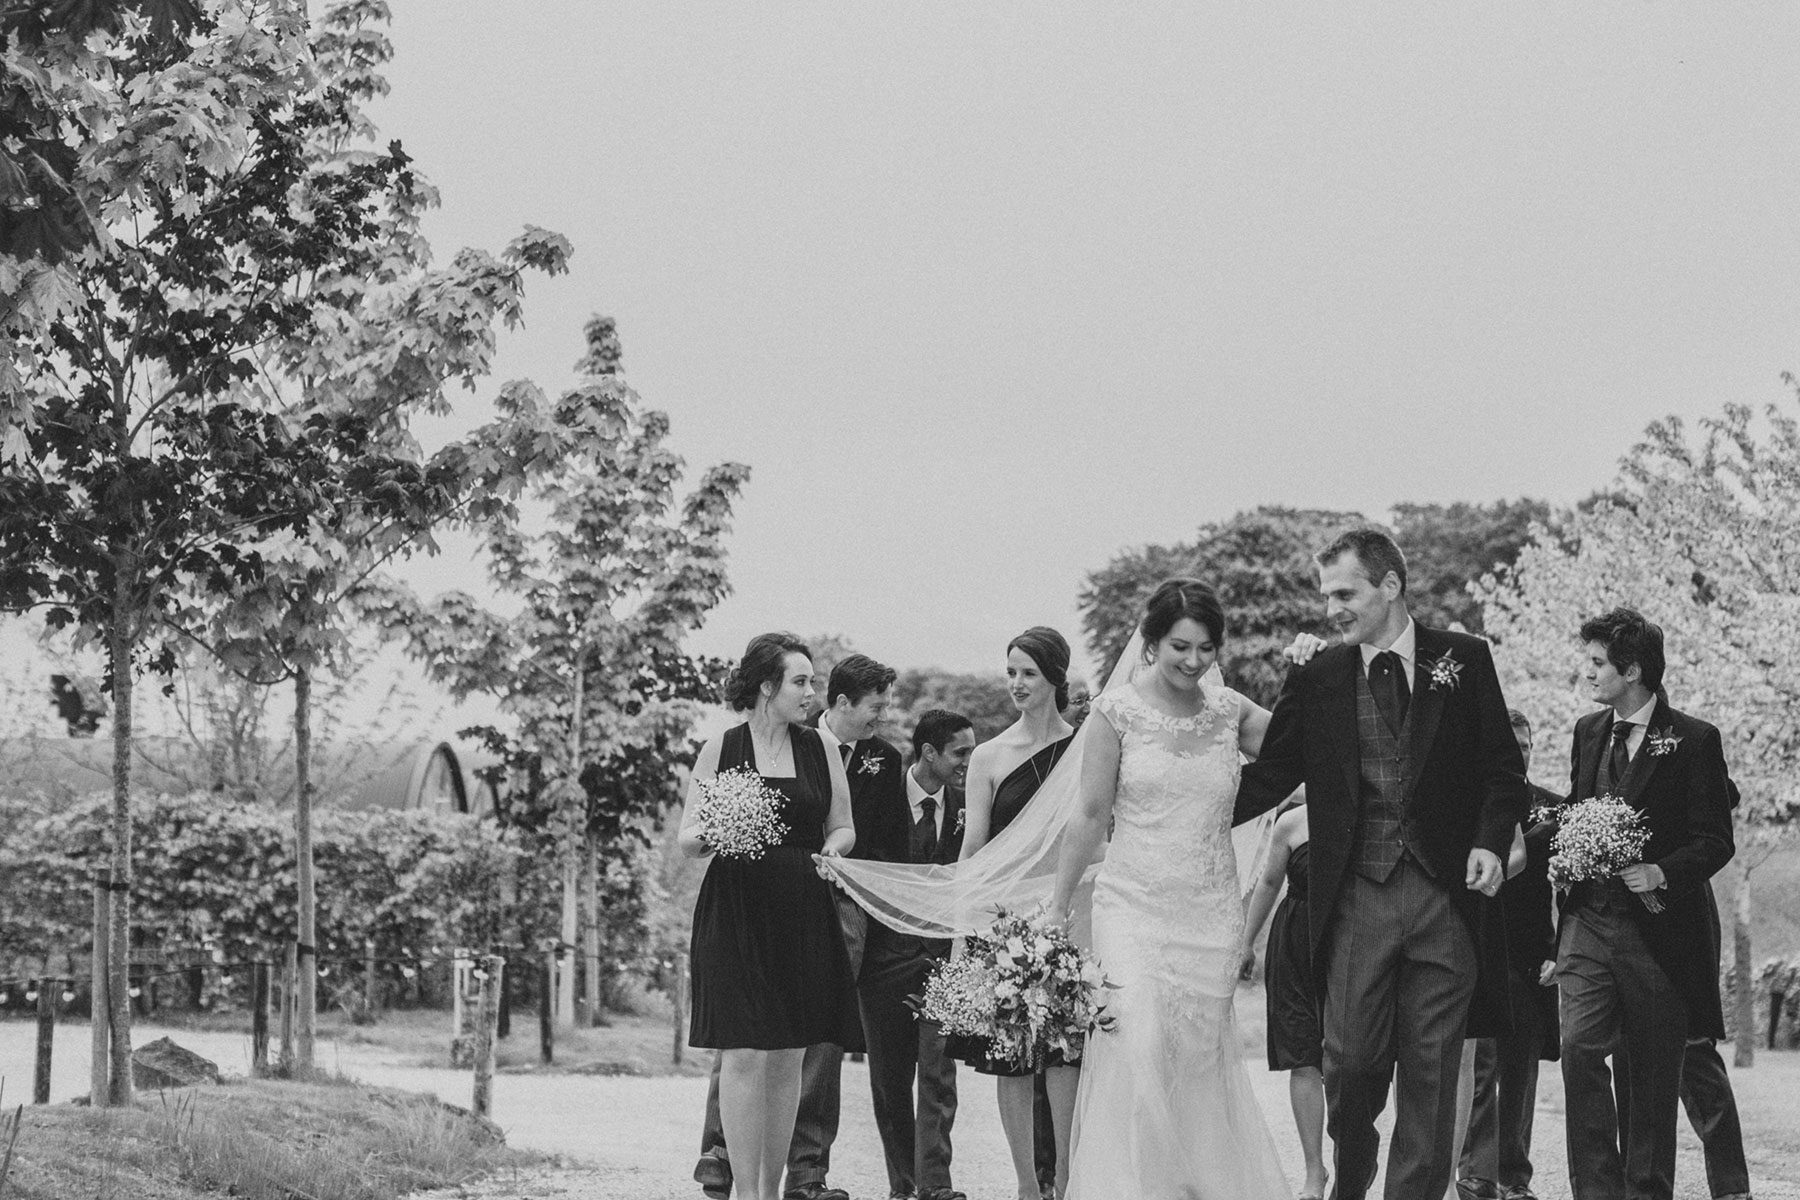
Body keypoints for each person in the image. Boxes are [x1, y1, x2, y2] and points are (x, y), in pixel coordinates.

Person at [1234, 528, 1530, 1200]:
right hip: (1358, 898)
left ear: (1390, 585)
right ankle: (1351, 1178)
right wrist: (1179, 805)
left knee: (1431, 1074)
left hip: (1444, 901)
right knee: (1354, 1066)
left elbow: (1502, 770)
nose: (1332, 607)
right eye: (1326, 595)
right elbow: (1273, 770)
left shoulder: (1464, 659)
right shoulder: (1317, 678)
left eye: (1345, 592)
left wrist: (1489, 839)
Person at [1046, 577, 1290, 1196]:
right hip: (1132, 908)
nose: (1194, 661)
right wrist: (1055, 906)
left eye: (1207, 649)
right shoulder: (1115, 712)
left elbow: (1298, 750)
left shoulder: (1230, 710)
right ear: (1151, 642)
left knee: (1200, 1059)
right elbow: (1090, 814)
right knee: (1139, 1044)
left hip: (1208, 914)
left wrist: (1309, 676)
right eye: (1181, 646)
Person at [693, 652, 898, 1200]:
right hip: (735, 911)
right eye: (800, 681)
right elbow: (688, 840)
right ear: (767, 686)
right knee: (741, 1053)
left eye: (812, 681)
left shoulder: (819, 746)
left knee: (788, 1055)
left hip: (803, 907)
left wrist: (833, 848)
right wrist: (728, 823)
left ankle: (769, 1189)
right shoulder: (722, 747)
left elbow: (844, 825)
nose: (812, 692)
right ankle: (744, 1192)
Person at [1556, 608, 1735, 1200]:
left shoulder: (1695, 739)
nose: (1588, 675)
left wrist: (1661, 870)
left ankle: (1647, 1191)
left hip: (1656, 933)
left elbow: (1715, 840)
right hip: (1587, 921)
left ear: (1631, 670)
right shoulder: (1586, 731)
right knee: (1578, 1048)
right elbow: (1576, 812)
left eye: (1597, 664)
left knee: (1653, 1076)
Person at [954, 625, 1079, 1200]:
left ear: (1055, 676)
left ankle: (1069, 1179)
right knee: (1009, 1059)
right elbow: (973, 847)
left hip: (1065, 916)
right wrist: (962, 930)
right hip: (1001, 923)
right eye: (1011, 672)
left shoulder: (1084, 749)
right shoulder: (988, 755)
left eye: (1029, 673)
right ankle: (1027, 1186)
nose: (1017, 684)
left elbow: (1098, 830)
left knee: (1063, 1055)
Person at [857, 708, 977, 1200]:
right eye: (961, 753)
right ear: (929, 753)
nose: (970, 761)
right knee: (889, 1081)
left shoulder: (971, 806)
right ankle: (902, 1186)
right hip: (882, 961)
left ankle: (935, 1185)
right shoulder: (878, 800)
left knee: (938, 1073)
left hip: (943, 962)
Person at [1457, 709, 1561, 1200]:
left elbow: (1572, 891)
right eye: (1510, 745)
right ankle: (1476, 1172)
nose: (1519, 752)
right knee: (1480, 1068)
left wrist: (1559, 952)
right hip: (1478, 949)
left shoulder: (1555, 809)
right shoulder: (1471, 804)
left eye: (1526, 744)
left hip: (1529, 956)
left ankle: (1515, 1177)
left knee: (1520, 1073)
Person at [1241, 799, 1331, 1200]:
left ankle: (1353, 1162)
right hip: (1295, 944)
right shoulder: (1291, 822)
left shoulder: (1370, 811)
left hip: (1351, 941)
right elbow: (1269, 882)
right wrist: (1246, 943)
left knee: (1351, 1060)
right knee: (1303, 1057)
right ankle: (1315, 1172)